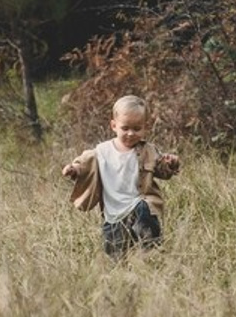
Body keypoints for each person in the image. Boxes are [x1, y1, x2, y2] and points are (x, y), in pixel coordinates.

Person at [62, 95, 181, 257]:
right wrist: (73, 170)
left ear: (146, 127)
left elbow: (161, 170)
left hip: (139, 203)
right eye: (125, 128)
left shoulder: (148, 150)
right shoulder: (102, 151)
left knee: (145, 215)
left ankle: (151, 251)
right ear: (114, 126)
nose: (131, 134)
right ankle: (123, 273)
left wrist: (170, 164)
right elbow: (84, 164)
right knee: (116, 255)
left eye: (137, 129)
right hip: (113, 213)